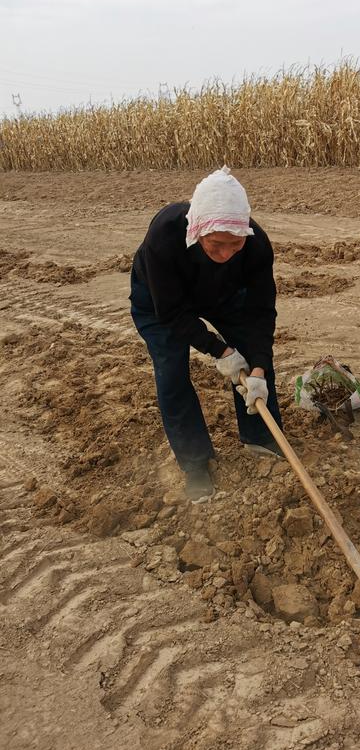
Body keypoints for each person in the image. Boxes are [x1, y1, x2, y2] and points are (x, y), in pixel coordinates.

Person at [129, 166, 283, 503]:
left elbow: (260, 313)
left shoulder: (256, 247)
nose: (227, 253)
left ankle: (261, 436)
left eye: (235, 244)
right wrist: (219, 351)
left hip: (222, 294)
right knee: (171, 373)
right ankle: (195, 463)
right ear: (198, 230)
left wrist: (257, 367)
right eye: (216, 245)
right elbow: (171, 312)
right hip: (158, 298)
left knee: (255, 355)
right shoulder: (165, 235)